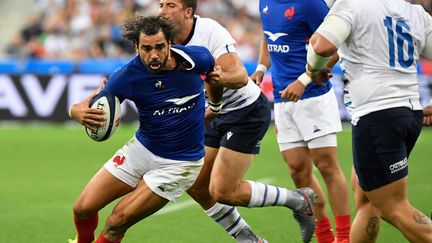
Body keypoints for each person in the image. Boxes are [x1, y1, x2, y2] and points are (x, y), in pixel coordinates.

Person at [159, 1, 317, 242]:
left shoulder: (210, 31)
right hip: (213, 112)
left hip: (245, 112)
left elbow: (240, 76)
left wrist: (218, 78)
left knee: (222, 191)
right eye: (160, 4)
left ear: (188, 12)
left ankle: (297, 200)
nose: (162, 10)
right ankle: (248, 239)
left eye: (170, 5)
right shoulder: (163, 42)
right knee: (196, 184)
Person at [67, 15, 225, 243]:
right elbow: (93, 105)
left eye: (160, 47)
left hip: (180, 163)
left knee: (116, 222)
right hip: (142, 150)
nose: (153, 54)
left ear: (170, 43)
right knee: (82, 208)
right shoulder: (127, 76)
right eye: (146, 48)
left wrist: (216, 106)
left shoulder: (198, 57)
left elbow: (213, 77)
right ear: (136, 47)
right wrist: (75, 112)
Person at [302, 0, 432, 241]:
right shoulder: (414, 12)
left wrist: (314, 70)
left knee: (393, 207)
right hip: (408, 114)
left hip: (377, 118)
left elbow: (320, 46)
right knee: (366, 199)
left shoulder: (353, 4)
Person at [250, 1, 351, 243]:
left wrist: (304, 80)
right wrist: (261, 68)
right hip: (283, 99)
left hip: (314, 97)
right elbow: (269, 36)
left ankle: (345, 238)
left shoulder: (311, 4)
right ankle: (325, 236)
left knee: (326, 166)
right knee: (297, 171)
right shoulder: (265, 3)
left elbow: (334, 49)